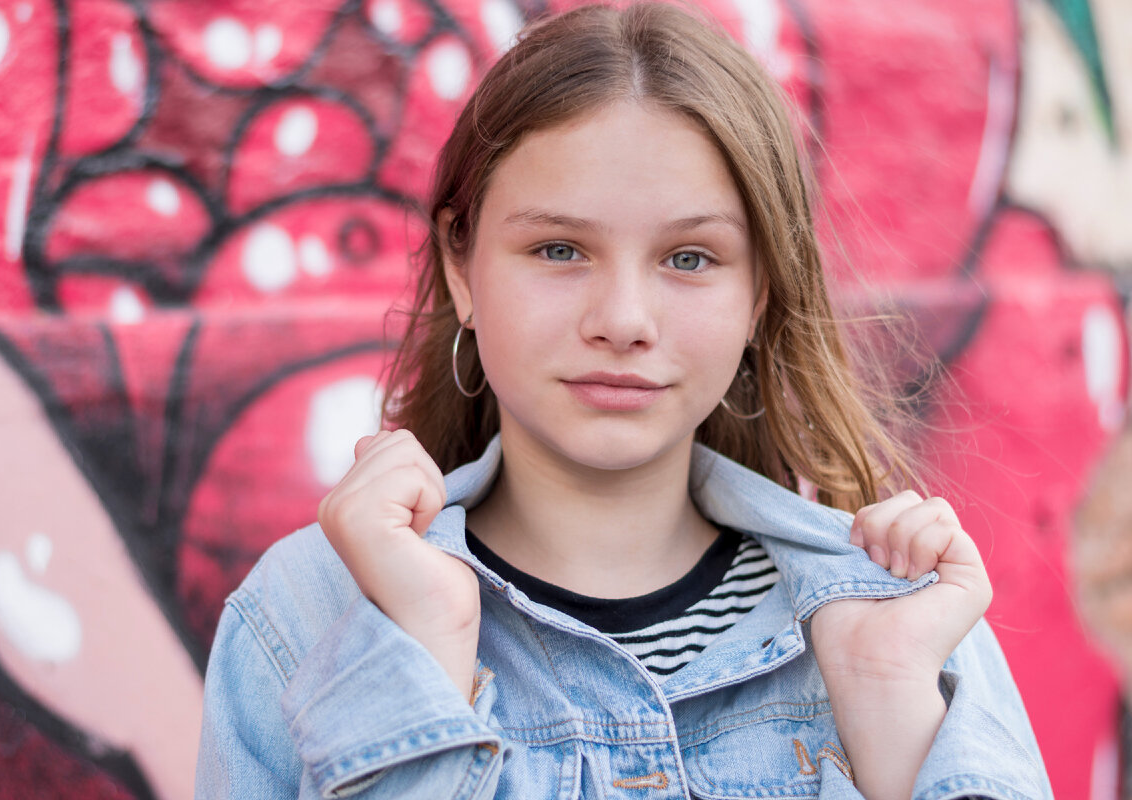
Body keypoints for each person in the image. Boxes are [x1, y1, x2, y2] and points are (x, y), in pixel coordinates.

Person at [195, 4, 1051, 798]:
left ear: (759, 295)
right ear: (462, 267)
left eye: (689, 259)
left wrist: (890, 712)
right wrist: (420, 662)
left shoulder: (907, 627)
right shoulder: (309, 613)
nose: (623, 321)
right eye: (560, 249)